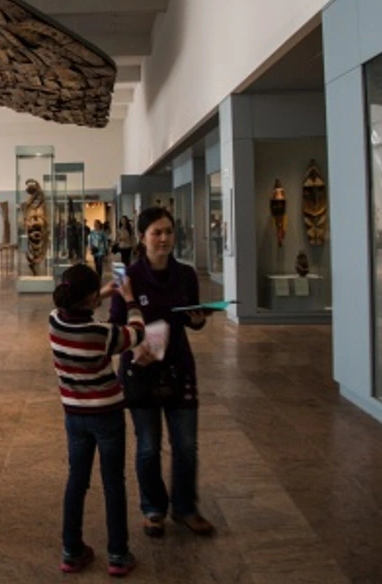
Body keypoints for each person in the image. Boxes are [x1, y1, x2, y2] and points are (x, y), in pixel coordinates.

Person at [110, 206, 215, 539]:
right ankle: (153, 508)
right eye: (157, 232)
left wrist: (197, 320)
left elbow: (189, 319)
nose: (164, 238)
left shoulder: (185, 275)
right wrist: (135, 346)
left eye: (168, 231)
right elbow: (116, 326)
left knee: (186, 445)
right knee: (148, 446)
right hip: (141, 369)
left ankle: (185, 508)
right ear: (142, 237)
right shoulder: (126, 276)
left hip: (178, 366)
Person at [50, 263, 146, 577]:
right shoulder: (102, 333)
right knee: (113, 484)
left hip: (73, 415)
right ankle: (118, 555)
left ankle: (71, 550)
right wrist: (130, 299)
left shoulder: (54, 323)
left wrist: (102, 291)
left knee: (76, 481)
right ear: (90, 299)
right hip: (106, 415)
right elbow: (136, 333)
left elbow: (77, 304)